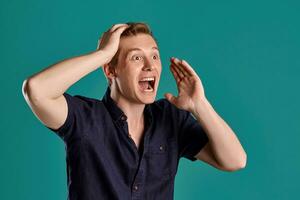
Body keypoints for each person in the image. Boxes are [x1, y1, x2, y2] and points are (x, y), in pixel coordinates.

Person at [22, 22, 247, 200]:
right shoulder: (86, 119)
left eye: (155, 56)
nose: (150, 65)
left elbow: (235, 160)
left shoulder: (171, 119)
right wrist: (103, 54)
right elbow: (36, 90)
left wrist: (200, 105)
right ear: (110, 70)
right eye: (137, 57)